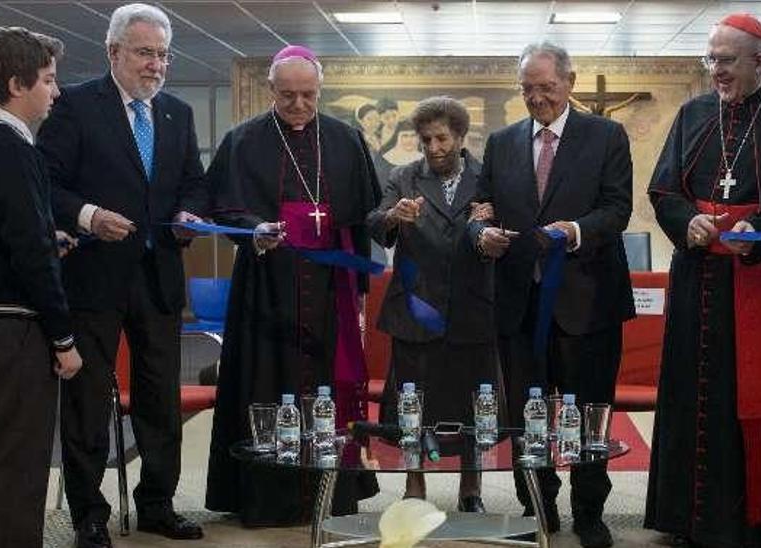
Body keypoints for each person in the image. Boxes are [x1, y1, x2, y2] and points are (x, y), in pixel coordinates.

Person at [35, 4, 208, 544]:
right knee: (89, 402)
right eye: (144, 52)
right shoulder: (75, 107)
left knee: (160, 399)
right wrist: (88, 216)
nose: (155, 65)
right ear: (114, 52)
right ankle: (89, 512)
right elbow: (48, 185)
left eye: (162, 54)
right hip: (93, 280)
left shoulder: (177, 112)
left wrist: (187, 215)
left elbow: (193, 184)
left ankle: (157, 503)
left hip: (158, 280)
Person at [644, 14, 761, 548]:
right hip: (697, 278)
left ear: (760, 60)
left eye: (726, 60)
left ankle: (758, 523)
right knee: (690, 395)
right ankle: (686, 519)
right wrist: (685, 221)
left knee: (757, 398)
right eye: (710, 59)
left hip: (760, 278)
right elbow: (664, 189)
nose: (715, 71)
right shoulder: (694, 112)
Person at [204, 44, 381, 526]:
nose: (299, 105)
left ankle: (334, 497)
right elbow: (221, 207)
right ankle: (268, 499)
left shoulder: (345, 139)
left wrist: (361, 288)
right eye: (288, 96)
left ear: (320, 90)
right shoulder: (243, 140)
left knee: (329, 386)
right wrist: (255, 228)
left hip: (329, 288)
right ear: (271, 90)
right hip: (267, 285)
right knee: (266, 385)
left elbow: (366, 213)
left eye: (308, 95)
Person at [471, 42, 634, 548]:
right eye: (528, 88)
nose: (537, 97)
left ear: (570, 82)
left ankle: (589, 513)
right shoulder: (501, 142)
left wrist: (575, 231)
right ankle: (536, 508)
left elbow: (616, 209)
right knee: (527, 415)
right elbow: (482, 206)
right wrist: (481, 234)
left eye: (546, 86)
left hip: (589, 302)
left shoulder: (607, 135)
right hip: (520, 304)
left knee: (590, 413)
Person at [0, 26, 82, 547]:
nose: (56, 90)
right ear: (16, 84)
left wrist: (47, 236)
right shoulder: (10, 149)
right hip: (13, 325)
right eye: (48, 80)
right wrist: (65, 340)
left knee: (10, 452)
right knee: (19, 460)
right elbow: (29, 257)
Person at [365, 96, 503, 512]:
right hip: (416, 308)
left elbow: (503, 225)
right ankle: (414, 485)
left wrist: (493, 225)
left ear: (460, 136)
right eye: (426, 139)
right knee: (413, 402)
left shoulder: (487, 179)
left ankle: (471, 489)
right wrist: (394, 217)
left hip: (472, 308)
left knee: (473, 402)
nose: (434, 147)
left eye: (442, 138)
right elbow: (375, 221)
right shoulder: (404, 178)